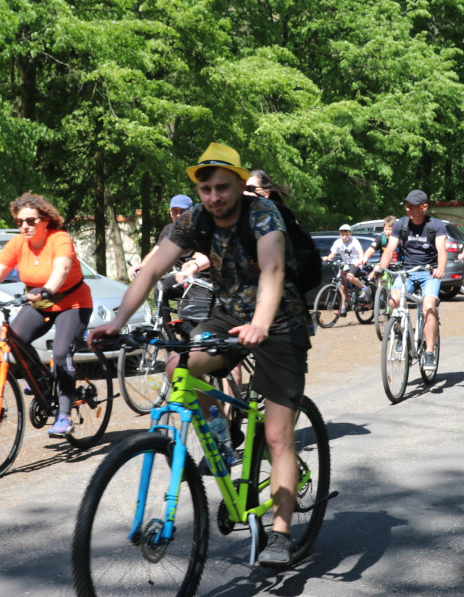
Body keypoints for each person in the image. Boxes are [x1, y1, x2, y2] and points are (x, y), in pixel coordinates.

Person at [88, 142, 310, 567]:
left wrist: (261, 322)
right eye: (205, 188)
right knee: (180, 367)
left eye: (222, 187)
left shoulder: (263, 213)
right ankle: (224, 447)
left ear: (240, 184)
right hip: (227, 315)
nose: (213, 196)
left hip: (280, 322)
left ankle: (281, 534)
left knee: (279, 436)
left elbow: (274, 269)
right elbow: (153, 268)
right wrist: (117, 322)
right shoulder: (195, 219)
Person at [0, 192, 93, 438]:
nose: (25, 226)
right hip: (40, 302)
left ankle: (64, 416)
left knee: (60, 354)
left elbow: (62, 268)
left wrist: (48, 288)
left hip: (72, 302)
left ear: (45, 220)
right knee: (13, 340)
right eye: (20, 222)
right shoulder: (18, 244)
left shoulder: (59, 239)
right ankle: (42, 383)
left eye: (31, 221)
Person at [377, 189, 447, 375]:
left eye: (412, 205)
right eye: (407, 205)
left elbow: (441, 249)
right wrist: (381, 268)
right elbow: (390, 247)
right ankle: (401, 332)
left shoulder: (436, 225)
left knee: (429, 307)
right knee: (393, 299)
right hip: (407, 271)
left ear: (424, 207)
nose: (408, 208)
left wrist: (440, 267)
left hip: (429, 273)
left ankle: (430, 352)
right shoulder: (401, 224)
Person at [130, 194, 212, 325]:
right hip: (180, 277)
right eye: (175, 211)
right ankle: (163, 326)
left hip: (200, 278)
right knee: (161, 286)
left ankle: (196, 335)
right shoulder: (169, 230)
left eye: (183, 211)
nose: (179, 215)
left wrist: (192, 264)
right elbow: (157, 251)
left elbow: (206, 254)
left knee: (196, 319)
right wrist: (143, 265)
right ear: (170, 212)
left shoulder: (202, 229)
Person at [322, 224, 365, 316]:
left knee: (349, 277)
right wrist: (328, 258)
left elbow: (361, 251)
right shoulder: (338, 242)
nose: (344, 236)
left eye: (346, 234)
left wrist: (360, 260)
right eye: (342, 234)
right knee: (341, 285)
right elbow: (332, 254)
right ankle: (343, 308)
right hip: (346, 265)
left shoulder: (354, 241)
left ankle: (363, 287)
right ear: (340, 234)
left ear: (350, 233)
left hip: (356, 264)